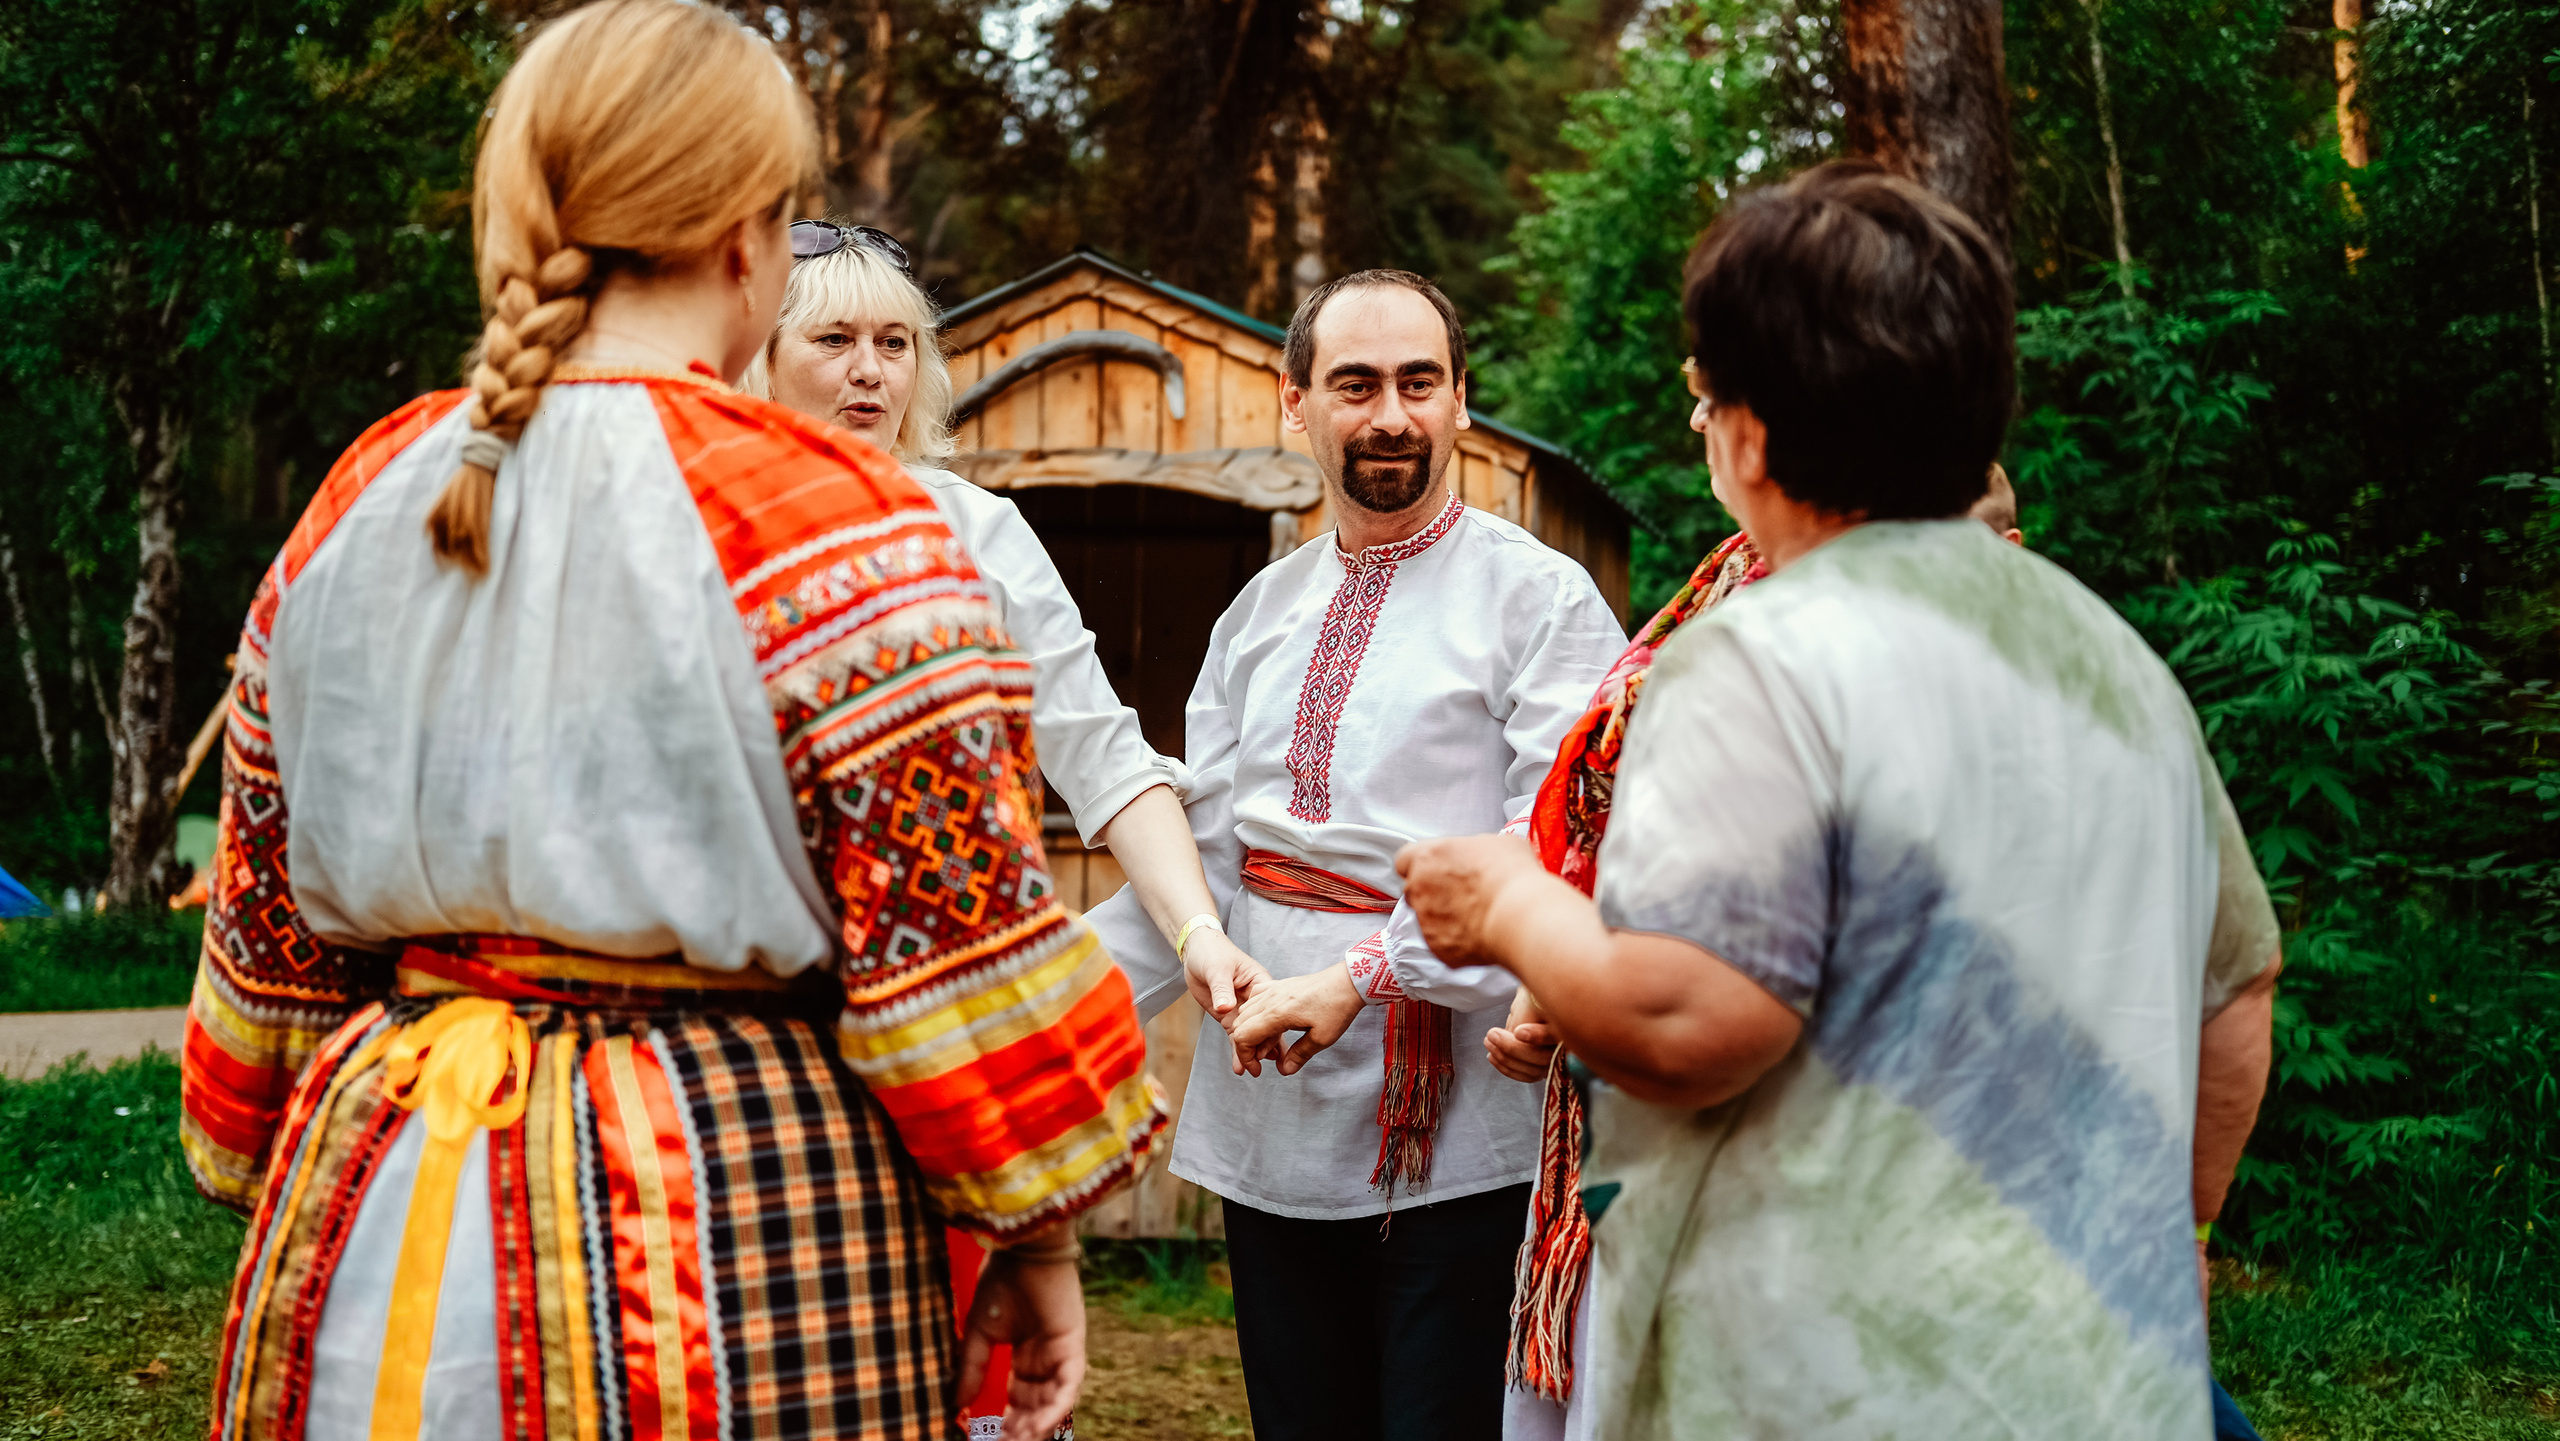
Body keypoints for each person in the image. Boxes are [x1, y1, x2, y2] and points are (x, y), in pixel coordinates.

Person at [175, 7, 1164, 1439]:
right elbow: (954, 945)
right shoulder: (844, 525)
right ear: (753, 240)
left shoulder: (358, 500)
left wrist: (269, 1128)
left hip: (381, 1200)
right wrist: (1039, 1224)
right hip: (741, 1214)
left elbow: (263, 954)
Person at [1395, 161, 2281, 1439]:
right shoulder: (2117, 664)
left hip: (1824, 1386)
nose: (1699, 429)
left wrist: (1509, 905)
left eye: (1703, 401)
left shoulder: (1758, 656)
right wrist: (2176, 1237)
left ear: (1751, 431)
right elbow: (2236, 997)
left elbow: (1689, 1017)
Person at [745, 217, 1269, 1439]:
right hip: (745, 1055)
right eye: (832, 339)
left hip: (930, 1064)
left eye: (894, 342)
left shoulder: (976, 534)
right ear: (756, 352)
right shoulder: (681, 515)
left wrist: (1192, 934)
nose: (870, 370)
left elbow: (1105, 759)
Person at [1084, 269, 1625, 1441]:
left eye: (1419, 382)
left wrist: (1357, 978)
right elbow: (1206, 860)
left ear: (1462, 402)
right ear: (1296, 404)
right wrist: (1043, 1001)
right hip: (1268, 1107)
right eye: (1356, 383)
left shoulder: (1541, 600)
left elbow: (1557, 849)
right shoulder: (1258, 613)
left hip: (1466, 1120)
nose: (1391, 414)